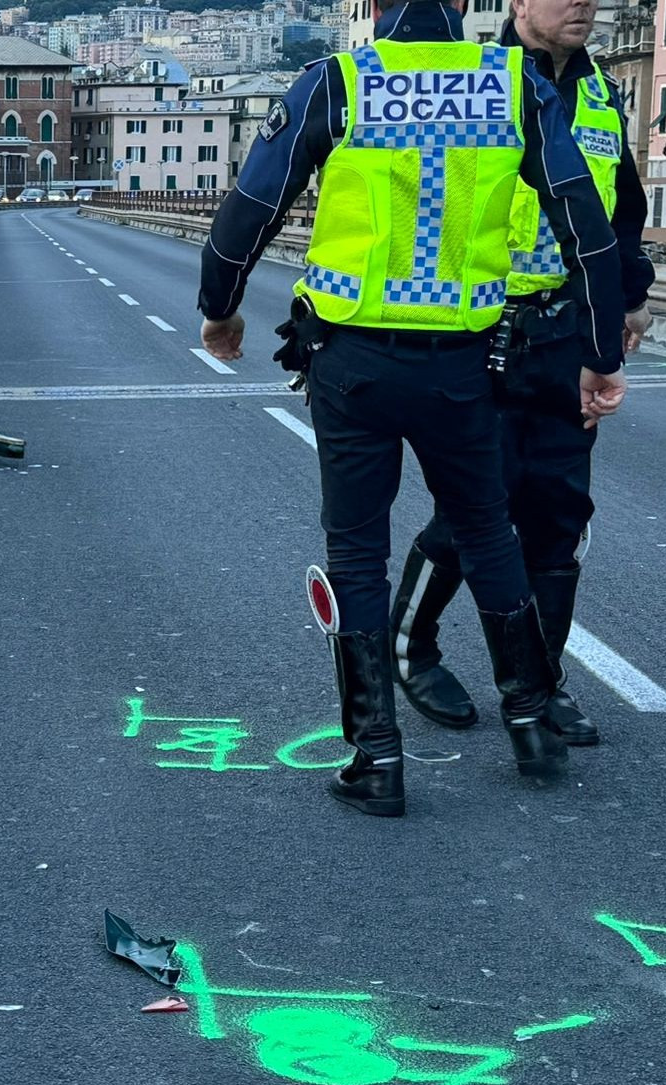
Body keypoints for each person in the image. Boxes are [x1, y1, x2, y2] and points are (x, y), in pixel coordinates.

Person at [197, 0, 628, 816]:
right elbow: (587, 226)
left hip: (353, 360)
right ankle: (531, 715)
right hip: (464, 360)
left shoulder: (341, 79)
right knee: (486, 528)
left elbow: (251, 209)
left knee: (359, 553)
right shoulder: (513, 83)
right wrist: (601, 355)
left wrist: (220, 307)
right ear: (463, 9)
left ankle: (377, 757)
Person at [391, 0, 654, 748]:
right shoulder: (478, 82)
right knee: (481, 503)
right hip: (482, 326)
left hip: (568, 333)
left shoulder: (600, 91)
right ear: (516, 4)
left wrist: (628, 300)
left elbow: (621, 208)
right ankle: (410, 641)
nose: (585, 5)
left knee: (559, 515)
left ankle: (541, 685)